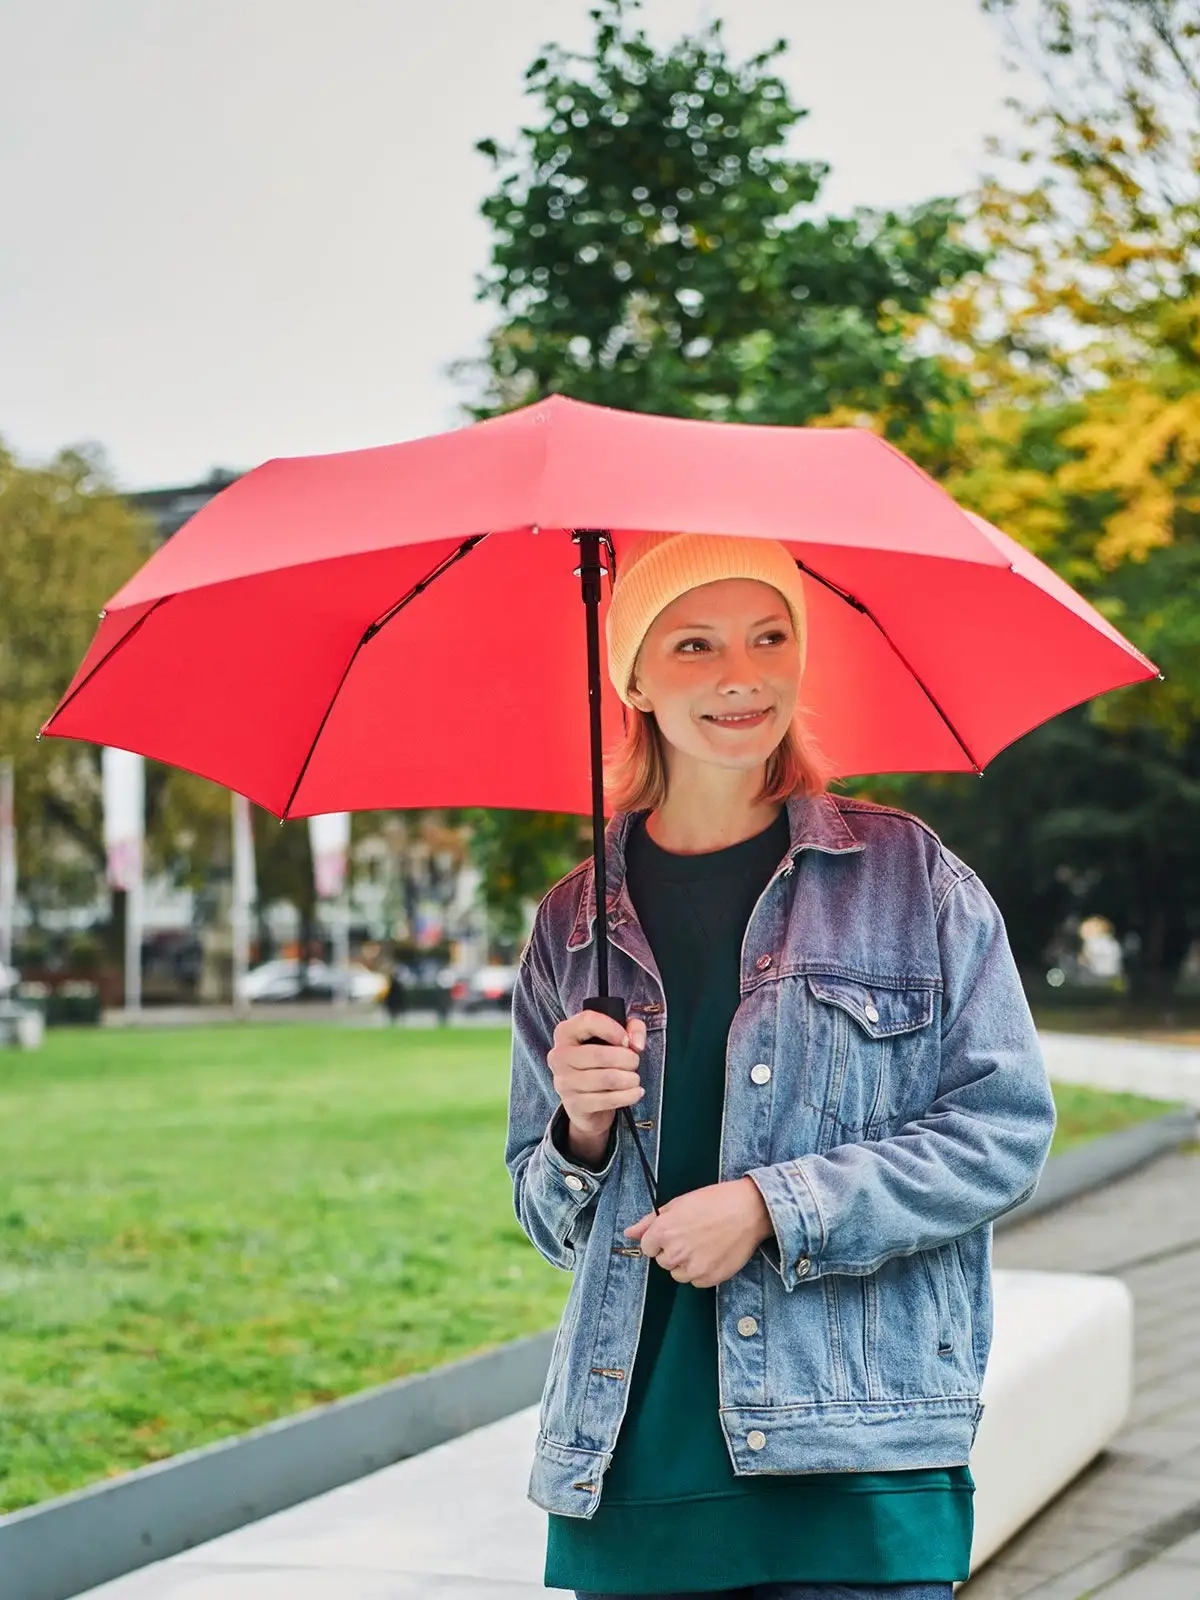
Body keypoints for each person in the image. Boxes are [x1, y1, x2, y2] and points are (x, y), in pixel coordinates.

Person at [505, 532, 1057, 1600]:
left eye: (769, 636)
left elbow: (1004, 1132)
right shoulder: (572, 925)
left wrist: (771, 1204)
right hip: (633, 1474)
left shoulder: (907, 875)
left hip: (856, 1464)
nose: (740, 674)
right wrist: (577, 1131)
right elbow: (543, 1213)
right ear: (632, 678)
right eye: (695, 645)